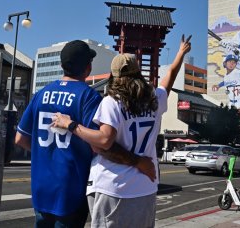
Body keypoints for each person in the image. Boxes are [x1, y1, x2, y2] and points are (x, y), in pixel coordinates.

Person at [52, 34, 192, 228]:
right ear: (138, 72)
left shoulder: (112, 101)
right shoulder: (154, 98)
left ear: (115, 74)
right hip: (145, 186)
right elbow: (169, 77)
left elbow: (104, 141)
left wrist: (71, 125)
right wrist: (180, 53)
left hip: (113, 186)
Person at [15, 40, 155, 228]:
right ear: (88, 67)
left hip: (41, 186)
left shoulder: (41, 94)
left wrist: (47, 154)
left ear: (61, 65)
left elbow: (20, 138)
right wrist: (138, 162)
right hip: (71, 188)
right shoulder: (89, 97)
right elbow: (100, 145)